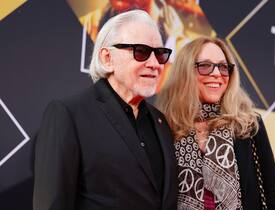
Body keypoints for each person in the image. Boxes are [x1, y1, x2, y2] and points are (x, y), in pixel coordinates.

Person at [33, 10, 177, 210]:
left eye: (160, 54)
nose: (154, 64)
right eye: (141, 52)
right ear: (108, 58)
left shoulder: (160, 122)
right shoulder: (69, 115)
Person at [156, 37, 275, 210]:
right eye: (205, 66)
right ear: (185, 71)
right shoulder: (165, 126)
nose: (217, 74)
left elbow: (272, 196)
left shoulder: (248, 125)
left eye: (223, 67)